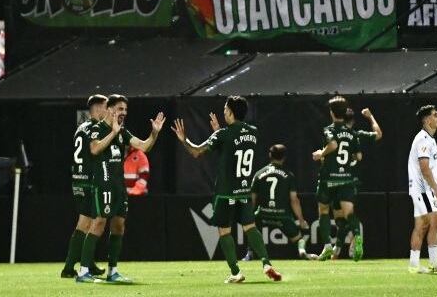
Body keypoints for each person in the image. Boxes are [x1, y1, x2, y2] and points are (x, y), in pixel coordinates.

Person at [172, 96, 282, 283]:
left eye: (225, 109)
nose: (223, 111)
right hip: (244, 191)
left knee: (224, 231)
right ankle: (266, 263)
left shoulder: (223, 134)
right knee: (250, 227)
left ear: (231, 112)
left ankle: (235, 272)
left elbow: (196, 152)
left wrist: (184, 139)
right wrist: (219, 132)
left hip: (225, 192)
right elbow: (234, 143)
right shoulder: (253, 132)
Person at [76, 95, 165, 284]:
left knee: (118, 226)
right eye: (119, 109)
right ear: (109, 109)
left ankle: (113, 271)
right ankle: (83, 272)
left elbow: (144, 146)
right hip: (103, 184)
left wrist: (154, 133)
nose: (123, 112)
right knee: (98, 224)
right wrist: (113, 133)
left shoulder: (123, 132)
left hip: (119, 186)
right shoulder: (96, 128)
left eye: (125, 109)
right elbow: (94, 149)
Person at [312, 96, 364, 261]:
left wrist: (321, 153)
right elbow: (359, 156)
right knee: (349, 213)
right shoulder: (352, 133)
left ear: (332, 113)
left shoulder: (329, 129)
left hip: (328, 178)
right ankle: (357, 236)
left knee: (323, 210)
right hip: (346, 178)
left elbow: (333, 145)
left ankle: (327, 246)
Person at [62, 95, 108, 279]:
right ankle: (69, 268)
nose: (108, 110)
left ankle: (87, 263)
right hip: (88, 180)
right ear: (97, 109)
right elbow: (94, 151)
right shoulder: (94, 129)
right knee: (88, 223)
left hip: (78, 179)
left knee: (86, 222)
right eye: (106, 107)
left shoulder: (81, 127)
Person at [329, 107, 383, 259]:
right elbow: (378, 134)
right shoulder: (357, 135)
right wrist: (370, 116)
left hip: (337, 180)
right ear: (352, 121)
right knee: (344, 219)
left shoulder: (333, 134)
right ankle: (340, 249)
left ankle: (338, 249)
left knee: (342, 217)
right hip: (350, 181)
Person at [247, 144, 317, 260]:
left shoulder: (259, 174)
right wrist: (300, 219)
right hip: (282, 215)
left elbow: (252, 198)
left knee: (250, 228)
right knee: (301, 237)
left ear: (270, 155)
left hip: (263, 213)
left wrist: (249, 216)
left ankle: (249, 253)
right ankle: (302, 250)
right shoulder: (288, 175)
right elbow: (294, 200)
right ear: (284, 157)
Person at [407, 105, 437, 274]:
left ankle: (433, 262)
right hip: (422, 189)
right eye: (435, 114)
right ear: (427, 120)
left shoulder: (429, 138)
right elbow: (424, 168)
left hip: (427, 189)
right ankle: (414, 264)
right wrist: (436, 189)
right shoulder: (423, 139)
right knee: (424, 223)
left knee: (435, 222)